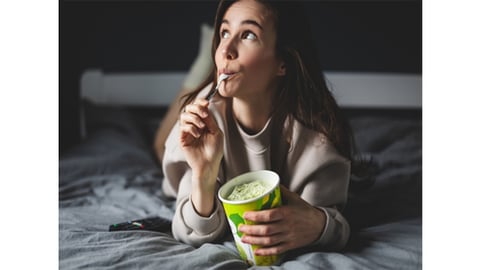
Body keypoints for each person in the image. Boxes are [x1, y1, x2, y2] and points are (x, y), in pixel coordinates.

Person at [161, 0, 356, 256]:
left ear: (282, 63)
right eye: (224, 33)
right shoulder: (204, 122)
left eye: (248, 35)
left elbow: (334, 223)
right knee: (158, 145)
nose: (226, 50)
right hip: (175, 166)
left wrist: (319, 225)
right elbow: (188, 231)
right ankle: (201, 64)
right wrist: (203, 176)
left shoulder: (318, 140)